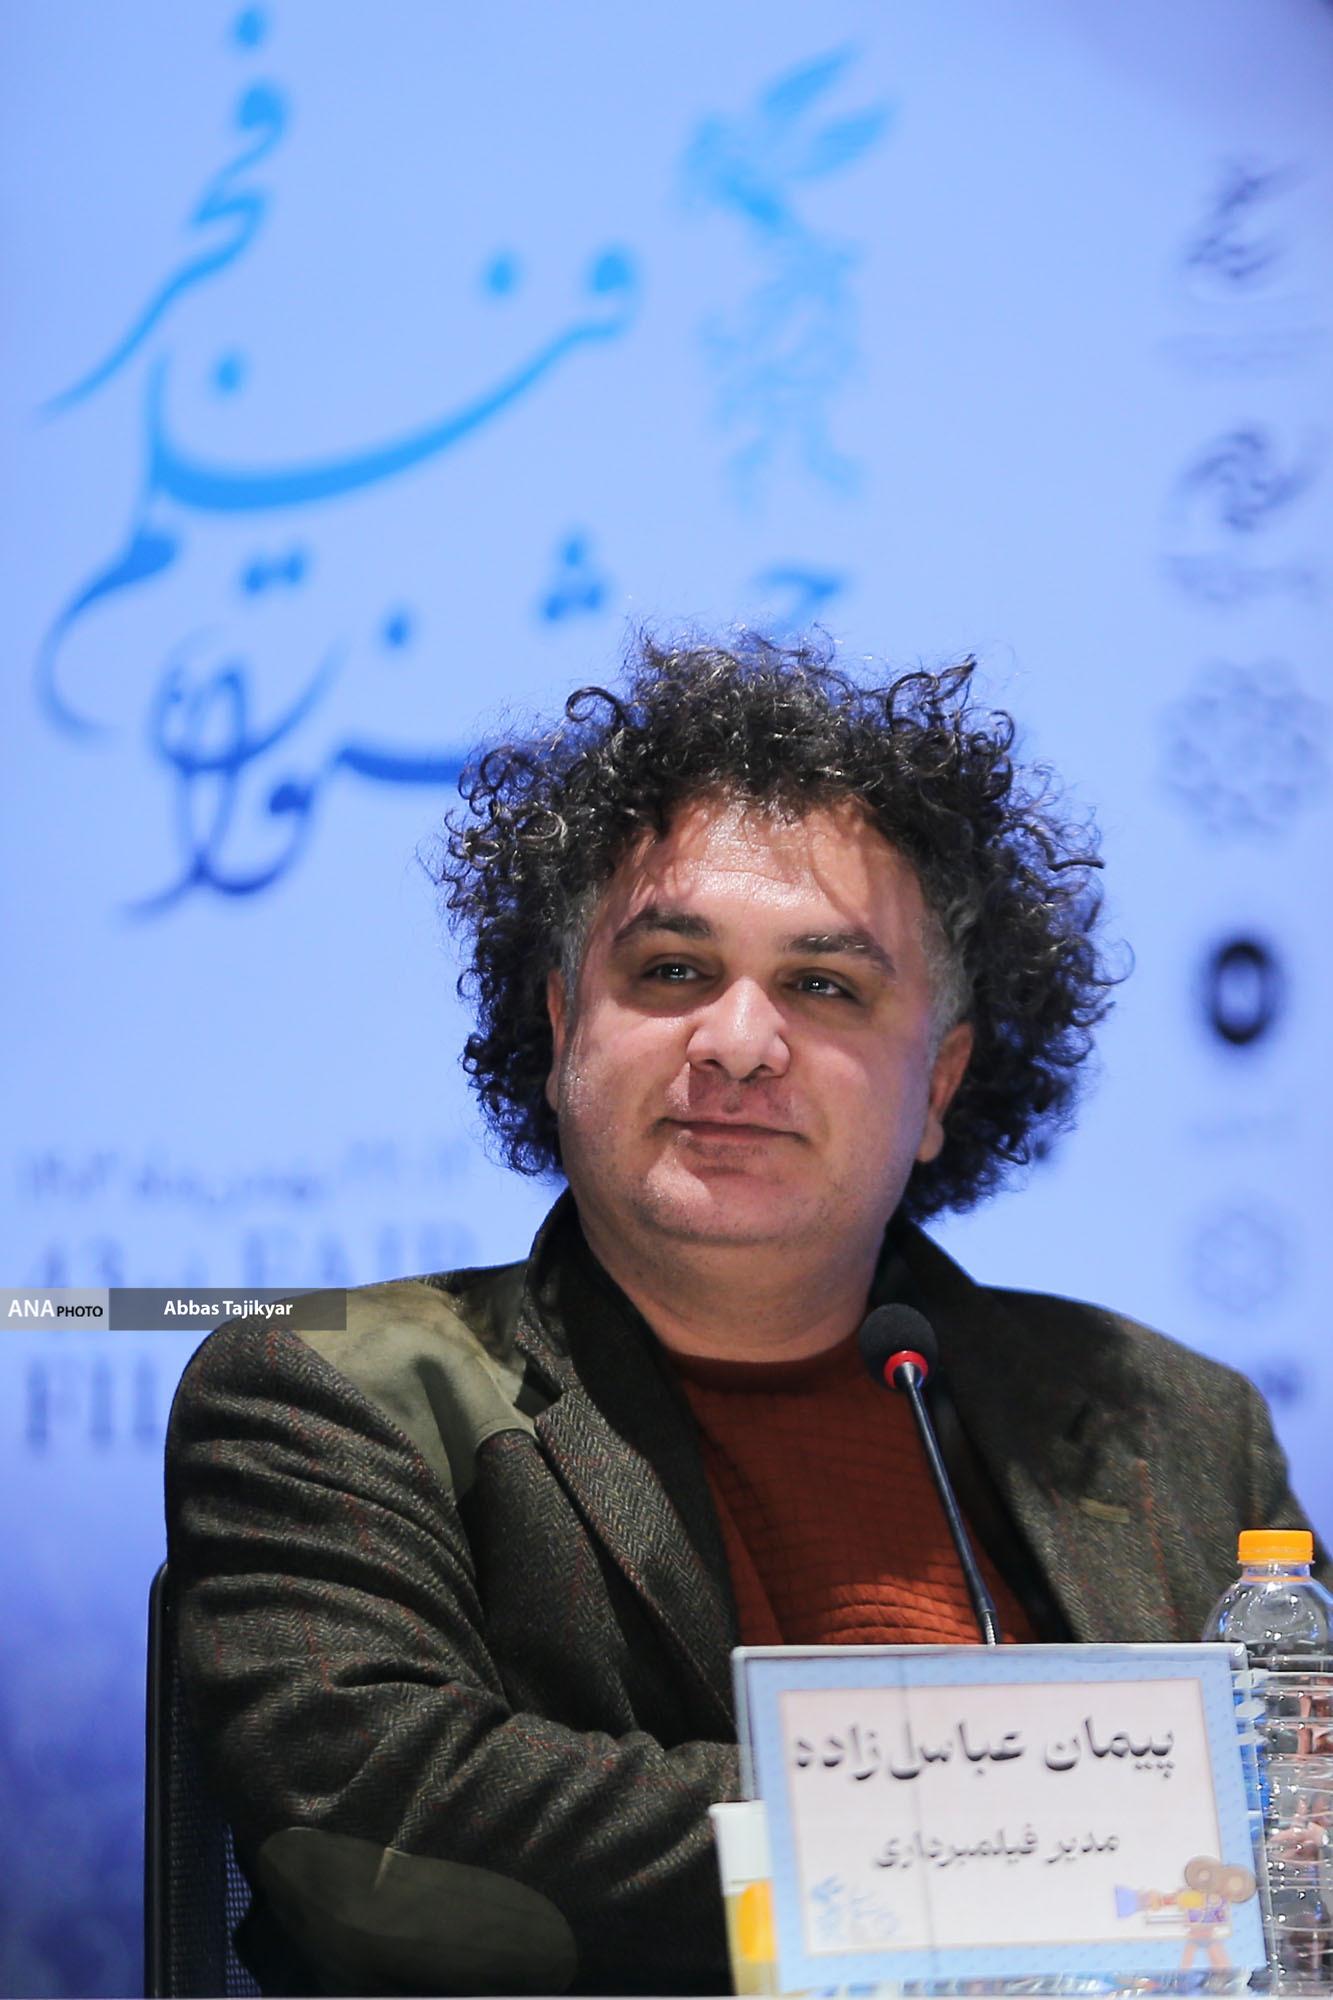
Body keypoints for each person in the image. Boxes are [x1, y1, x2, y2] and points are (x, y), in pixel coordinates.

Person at [166, 636, 1320, 1997]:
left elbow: (1300, 1846)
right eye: (670, 970)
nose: (737, 1042)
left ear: (938, 1084)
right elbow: (381, 1828)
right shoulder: (335, 1389)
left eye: (825, 986)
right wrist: (1004, 1836)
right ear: (561, 1028)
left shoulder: (1169, 1422)